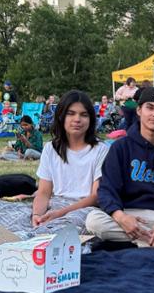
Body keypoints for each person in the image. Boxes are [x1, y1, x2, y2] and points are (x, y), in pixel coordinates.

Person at [86, 87, 154, 247]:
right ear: (139, 110)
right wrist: (121, 218)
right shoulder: (120, 147)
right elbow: (107, 189)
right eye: (150, 107)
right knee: (93, 221)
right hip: (130, 214)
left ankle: (150, 238)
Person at [31, 90, 109, 227]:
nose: (77, 119)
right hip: (56, 205)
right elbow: (44, 192)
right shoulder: (51, 148)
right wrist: (37, 215)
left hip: (85, 209)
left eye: (83, 115)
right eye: (71, 113)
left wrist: (60, 213)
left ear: (90, 119)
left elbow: (96, 196)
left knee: (58, 228)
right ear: (61, 117)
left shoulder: (101, 150)